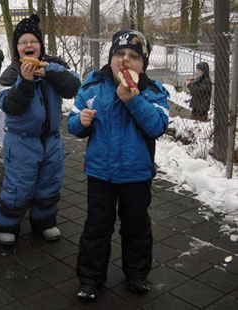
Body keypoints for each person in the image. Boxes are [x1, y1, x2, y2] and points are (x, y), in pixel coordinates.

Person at [67, 30, 169, 300]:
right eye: (119, 54)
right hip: (101, 173)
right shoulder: (92, 87)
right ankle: (90, 279)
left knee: (136, 227)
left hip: (136, 174)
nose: (126, 61)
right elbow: (73, 123)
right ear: (111, 58)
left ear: (143, 64)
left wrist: (132, 99)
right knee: (97, 227)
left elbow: (157, 126)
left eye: (134, 57)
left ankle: (136, 274)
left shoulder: (153, 92)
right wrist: (82, 122)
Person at [0, 14, 81, 245]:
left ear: (40, 46)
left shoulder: (53, 66)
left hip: (51, 140)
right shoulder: (11, 73)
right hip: (21, 141)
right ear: (17, 48)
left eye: (33, 41)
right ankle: (8, 224)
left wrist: (48, 71)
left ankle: (44, 222)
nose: (29, 45)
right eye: (23, 42)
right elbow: (9, 105)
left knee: (49, 183)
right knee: (18, 185)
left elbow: (73, 86)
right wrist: (26, 82)